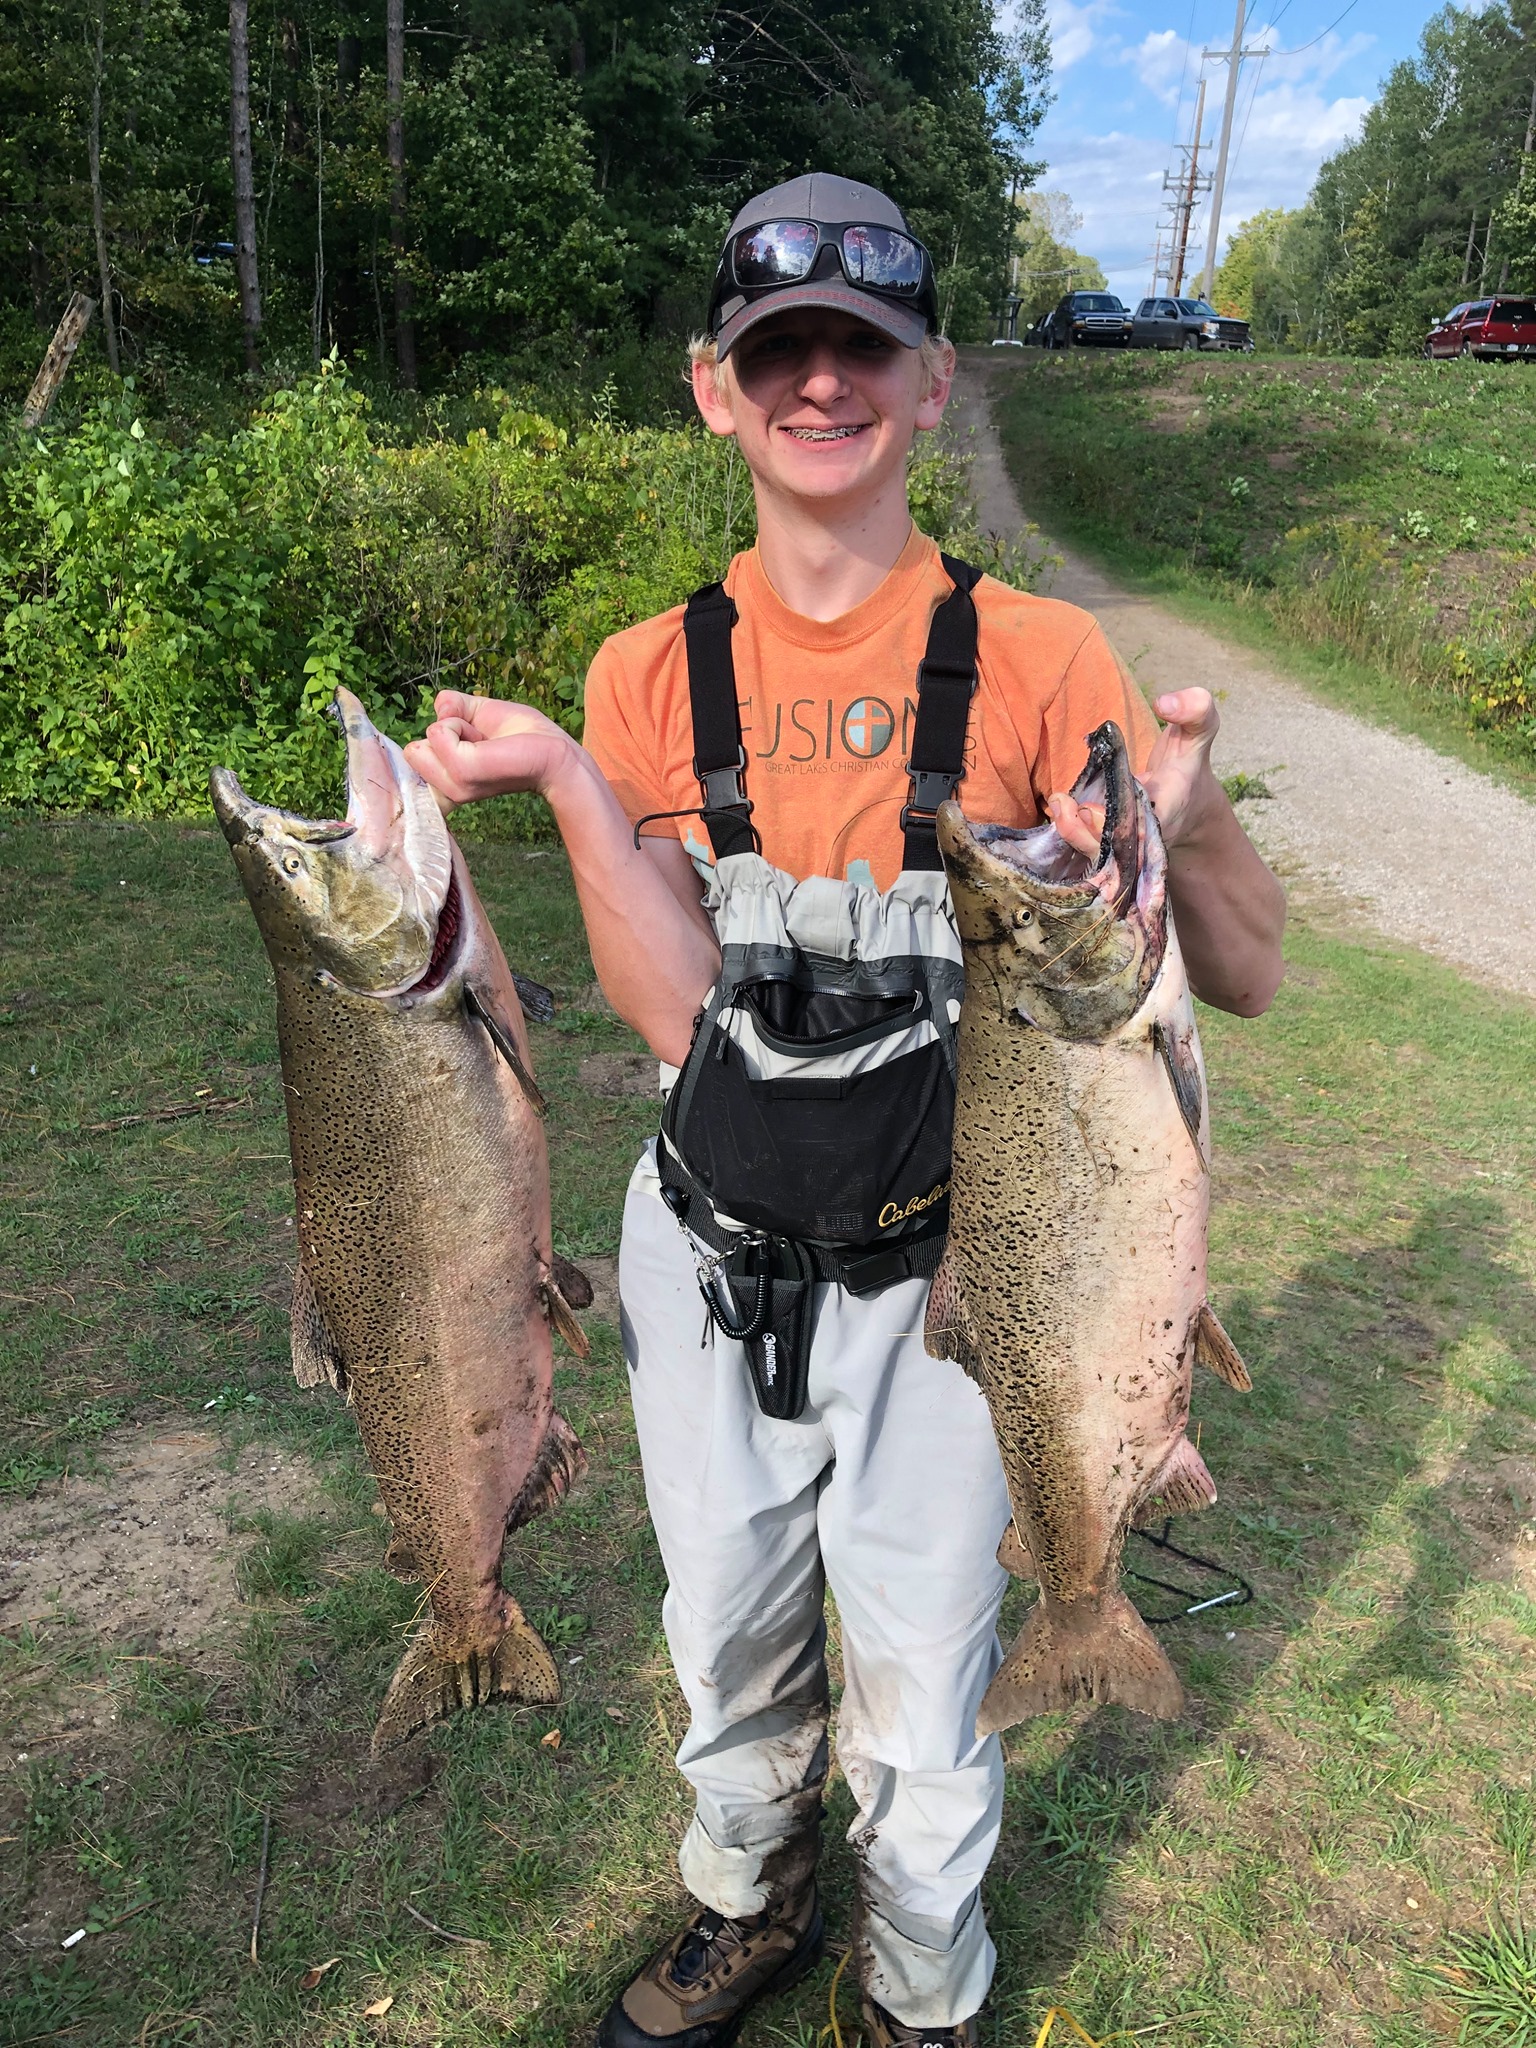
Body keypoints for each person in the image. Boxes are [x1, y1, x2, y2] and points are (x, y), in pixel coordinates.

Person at [404, 173, 1284, 2048]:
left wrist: (1186, 825)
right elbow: (665, 1006)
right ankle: (752, 1897)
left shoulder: (1047, 661)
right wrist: (564, 775)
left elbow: (1252, 972)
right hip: (709, 1245)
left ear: (933, 378)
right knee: (721, 1638)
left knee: (924, 1666)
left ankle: (921, 1984)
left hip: (970, 1267)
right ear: (713, 388)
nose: (822, 383)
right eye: (777, 350)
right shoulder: (647, 676)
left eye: (862, 350)